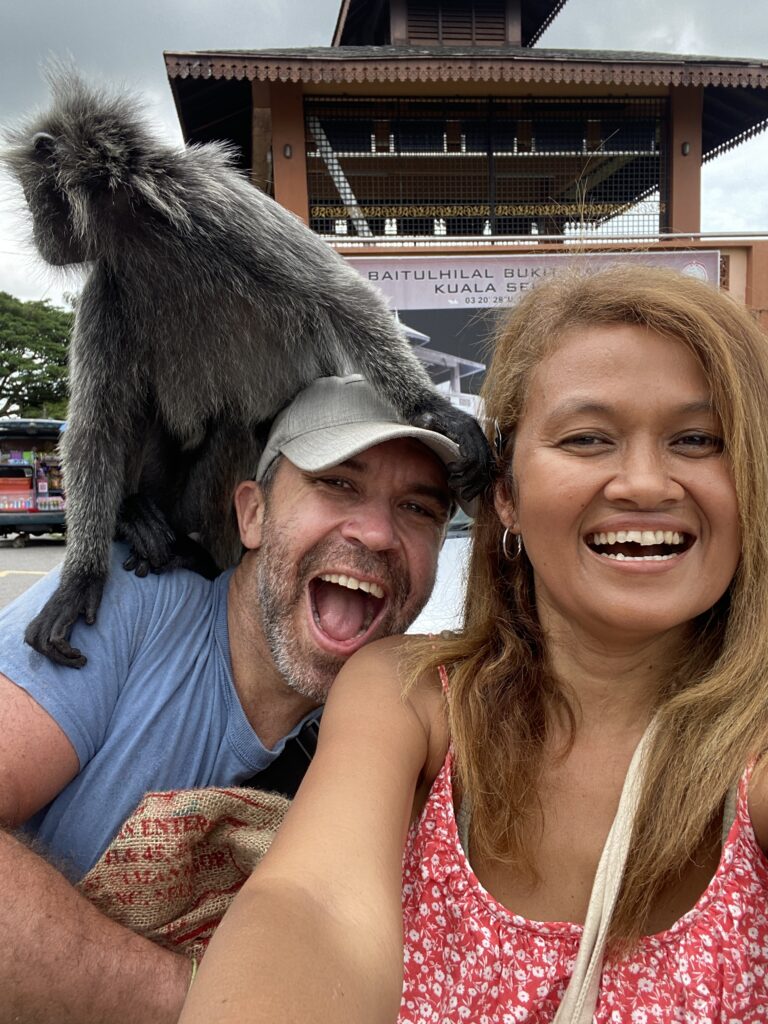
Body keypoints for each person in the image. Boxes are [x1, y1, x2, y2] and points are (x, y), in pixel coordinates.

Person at [180, 266, 768, 1024]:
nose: (645, 482)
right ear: (506, 499)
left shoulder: (749, 752)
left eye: (699, 439)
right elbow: (311, 904)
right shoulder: (408, 696)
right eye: (588, 438)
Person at [0, 373, 465, 1024]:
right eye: (338, 483)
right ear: (252, 513)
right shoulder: (131, 606)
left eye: (419, 509)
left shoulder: (392, 741)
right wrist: (207, 1002)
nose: (379, 534)